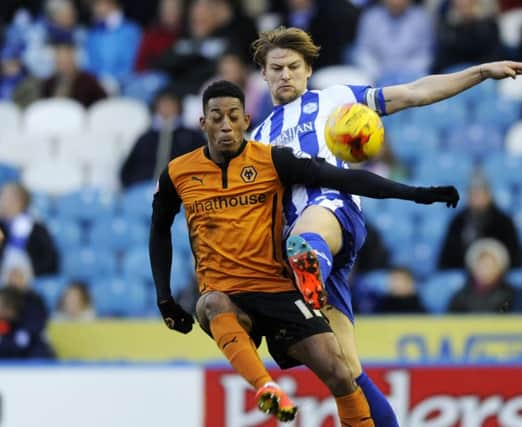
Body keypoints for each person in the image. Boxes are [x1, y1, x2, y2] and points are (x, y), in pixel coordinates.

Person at [250, 25, 522, 427]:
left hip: (331, 212)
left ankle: (308, 269)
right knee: (345, 370)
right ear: (262, 74)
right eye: (276, 68)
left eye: (293, 67)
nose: (285, 75)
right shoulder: (257, 140)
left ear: (309, 70)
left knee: (303, 238)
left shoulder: (337, 99)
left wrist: (481, 72)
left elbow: (415, 92)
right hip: (305, 244)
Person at [149, 80, 459, 424]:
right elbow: (159, 229)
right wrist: (164, 298)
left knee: (342, 372)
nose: (226, 124)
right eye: (217, 117)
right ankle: (265, 387)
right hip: (228, 296)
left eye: (234, 116)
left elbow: (344, 180)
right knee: (210, 303)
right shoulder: (178, 172)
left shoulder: (272, 159)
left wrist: (415, 193)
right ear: (202, 122)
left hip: (279, 291)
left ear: (246, 120)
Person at [120, 89, 206, 189]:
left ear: (179, 107)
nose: (167, 109)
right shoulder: (146, 138)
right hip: (144, 191)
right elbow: (128, 169)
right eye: (163, 105)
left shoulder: (192, 137)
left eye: (171, 105)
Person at [438, 172, 522, 269]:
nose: (477, 198)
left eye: (481, 193)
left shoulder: (504, 222)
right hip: (466, 274)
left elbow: (515, 257)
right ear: (468, 196)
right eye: (473, 194)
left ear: (489, 194)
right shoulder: (458, 222)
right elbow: (447, 259)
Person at [0, 182, 59, 277]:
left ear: (19, 201)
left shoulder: (37, 229)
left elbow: (49, 260)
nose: (1, 202)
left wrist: (26, 274)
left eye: (4, 197)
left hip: (29, 280)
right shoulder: (1, 228)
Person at [448, 238, 515, 313]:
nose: (485, 271)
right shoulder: (461, 297)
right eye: (482, 265)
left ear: (500, 268)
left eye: (490, 266)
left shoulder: (510, 296)